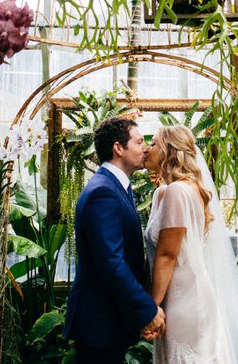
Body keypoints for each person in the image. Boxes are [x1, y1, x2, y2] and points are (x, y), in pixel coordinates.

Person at [144, 125, 238, 363]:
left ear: (171, 151)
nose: (147, 148)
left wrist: (151, 308)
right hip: (177, 296)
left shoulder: (178, 190)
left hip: (185, 302)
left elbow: (167, 255)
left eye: (153, 143)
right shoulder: (164, 192)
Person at [64, 116, 166, 363]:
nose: (145, 148)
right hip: (99, 323)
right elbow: (112, 262)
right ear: (118, 148)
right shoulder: (103, 192)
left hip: (109, 321)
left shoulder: (116, 187)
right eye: (139, 141)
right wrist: (146, 310)